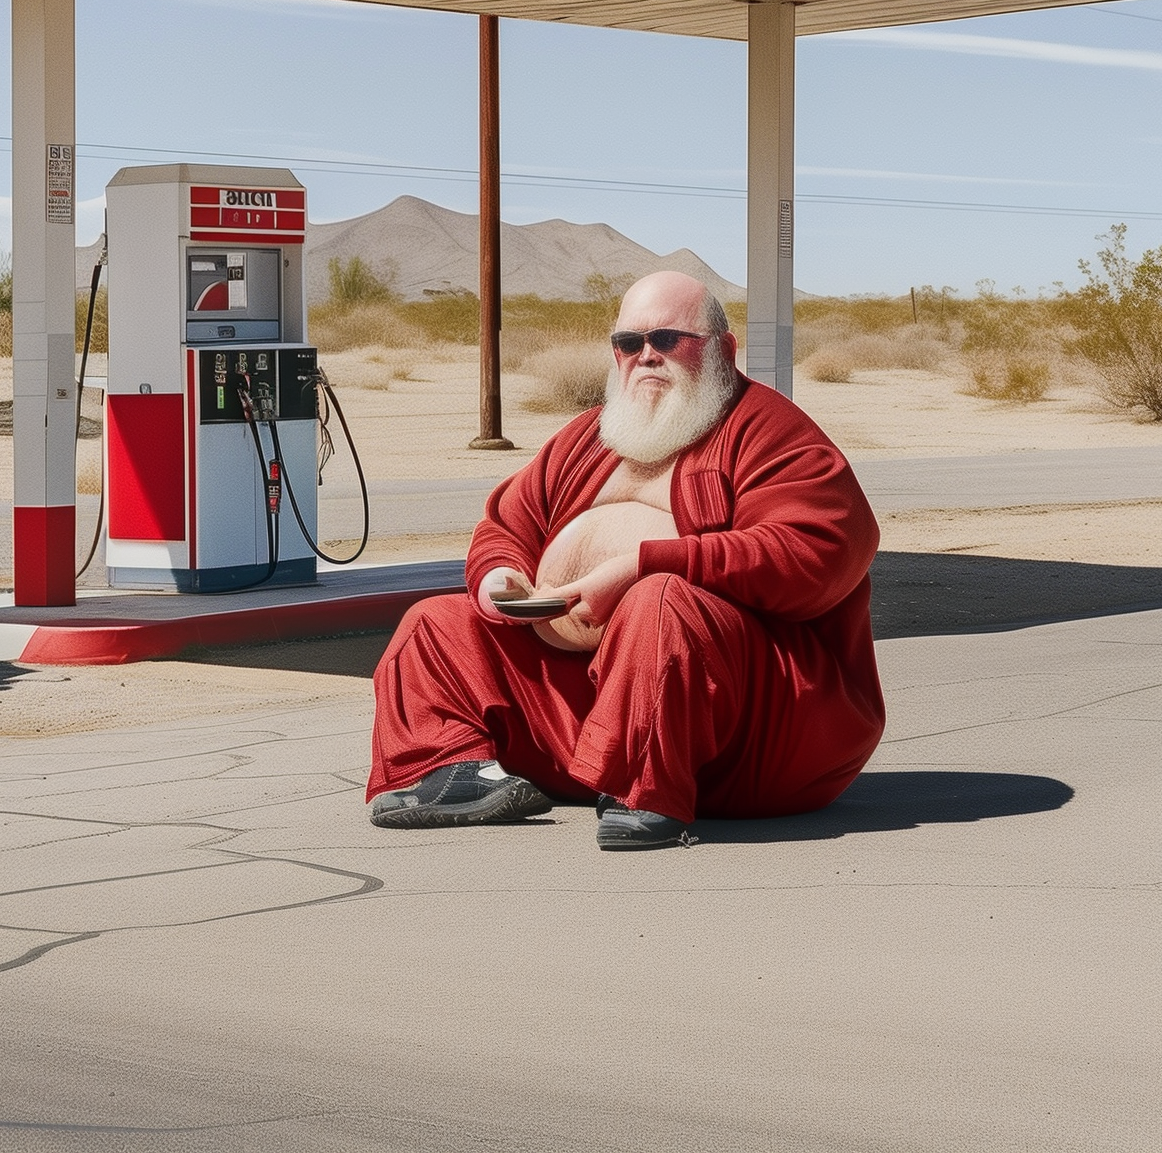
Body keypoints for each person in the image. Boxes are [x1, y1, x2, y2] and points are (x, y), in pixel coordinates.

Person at [367, 270, 884, 848]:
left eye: (667, 340)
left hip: (748, 738)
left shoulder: (770, 431)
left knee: (661, 602)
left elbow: (823, 551)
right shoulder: (589, 436)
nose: (646, 357)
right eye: (629, 343)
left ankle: (648, 787)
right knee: (436, 624)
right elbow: (507, 523)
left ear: (722, 348)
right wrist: (498, 575)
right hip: (583, 704)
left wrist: (644, 566)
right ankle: (453, 772)